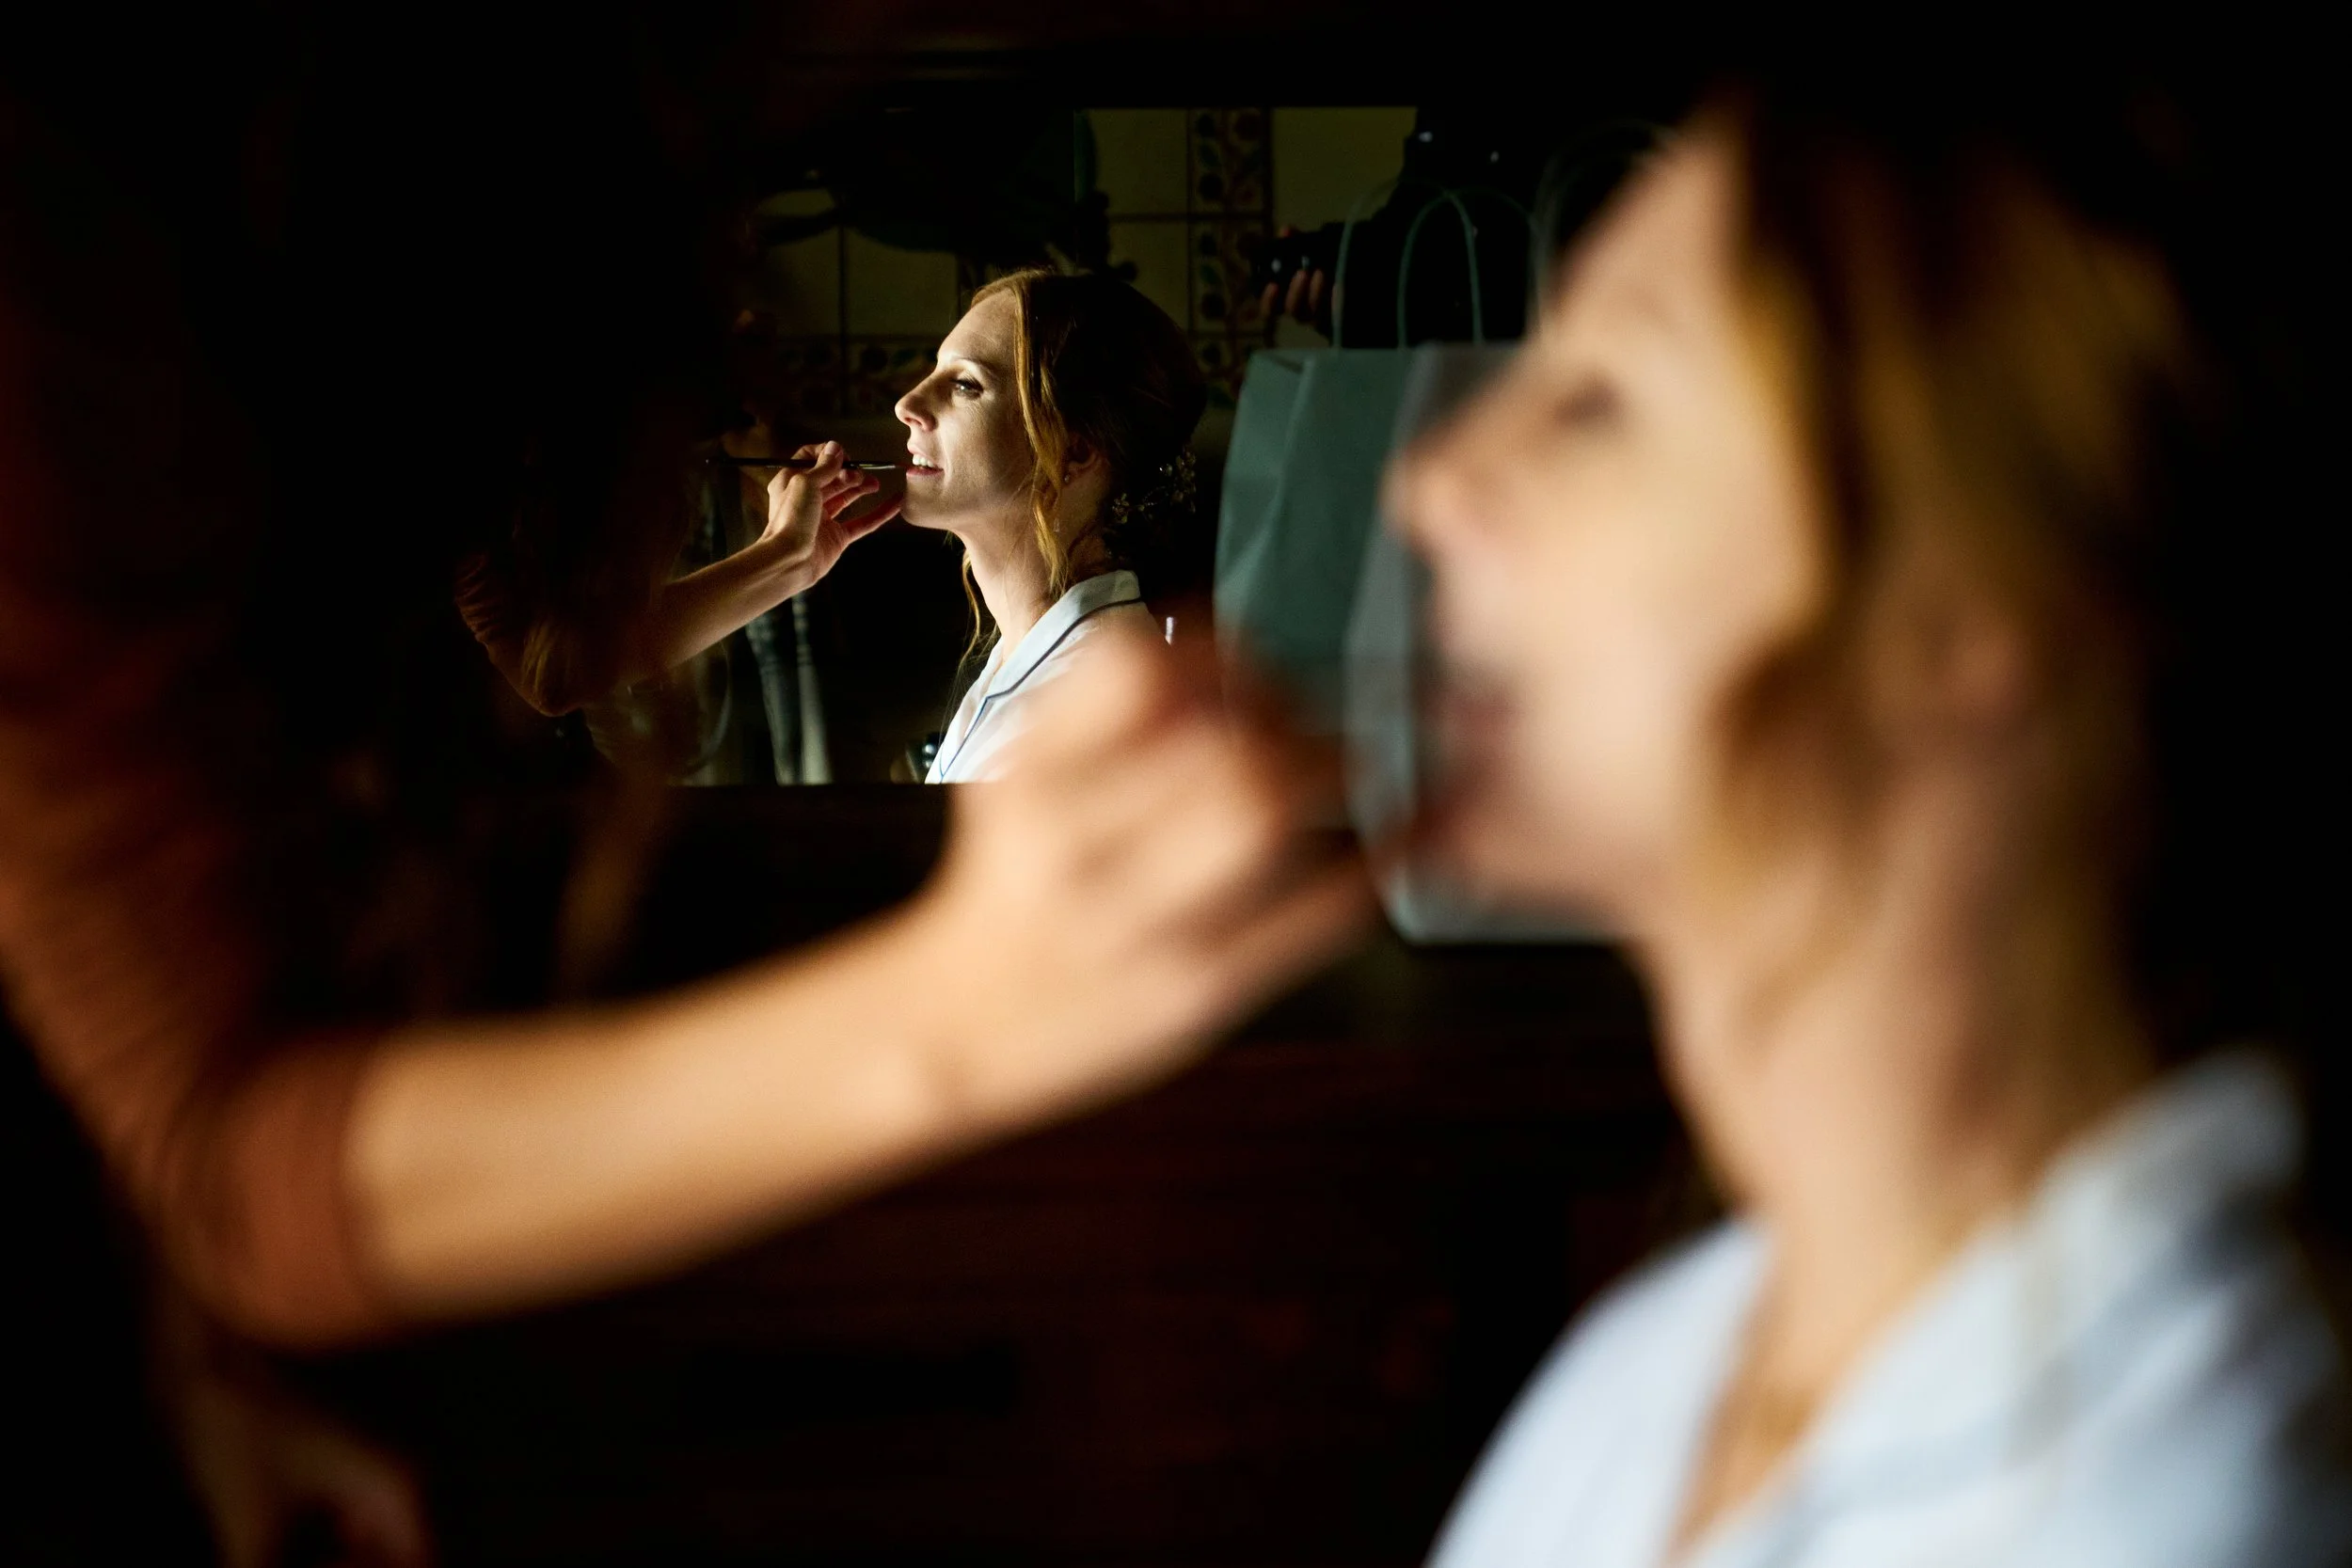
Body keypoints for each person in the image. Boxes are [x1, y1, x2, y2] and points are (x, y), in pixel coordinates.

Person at [1391, 75, 2349, 1568]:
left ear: (1977, 602)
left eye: (1599, 399)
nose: (1430, 479)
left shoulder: (2174, 1508)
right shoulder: (1665, 1364)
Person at [895, 268, 1206, 783]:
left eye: (966, 384)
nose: (907, 405)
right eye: (935, 372)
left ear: (1073, 452)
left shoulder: (1093, 706)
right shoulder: (1028, 653)